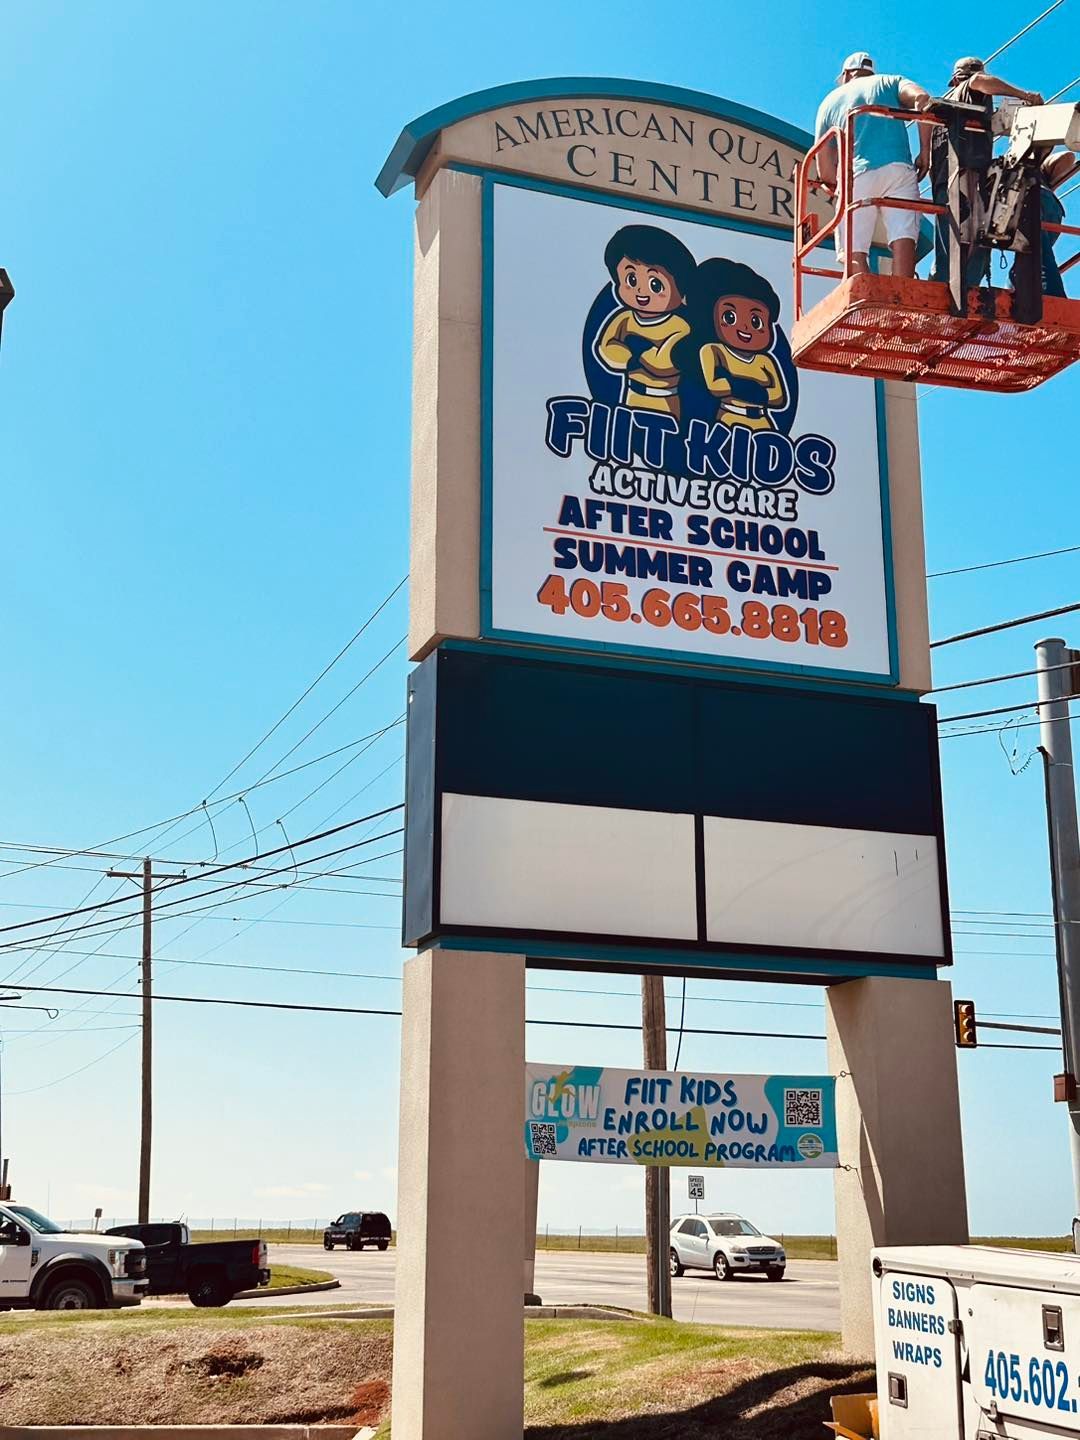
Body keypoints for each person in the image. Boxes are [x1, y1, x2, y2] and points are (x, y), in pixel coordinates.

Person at [814, 52, 932, 278]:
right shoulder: (892, 81)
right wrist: (925, 151)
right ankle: (902, 295)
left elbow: (825, 168)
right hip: (899, 168)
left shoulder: (829, 101)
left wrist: (832, 184)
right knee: (904, 238)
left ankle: (866, 297)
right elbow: (923, 100)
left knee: (853, 249)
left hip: (856, 174)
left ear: (847, 74)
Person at [930, 57, 1043, 289]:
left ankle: (941, 288)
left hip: (944, 180)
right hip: (965, 175)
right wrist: (1024, 95)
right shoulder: (968, 89)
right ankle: (964, 294)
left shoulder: (940, 107)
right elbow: (979, 81)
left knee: (948, 243)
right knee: (975, 240)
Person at [595, 224, 696, 419]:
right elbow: (606, 347)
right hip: (631, 393)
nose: (641, 292)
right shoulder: (624, 319)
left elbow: (664, 362)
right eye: (631, 280)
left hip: (664, 401)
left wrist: (634, 352)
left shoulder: (680, 326)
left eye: (655, 284)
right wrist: (633, 357)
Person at [681, 258, 788, 433]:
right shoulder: (713, 350)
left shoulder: (764, 360)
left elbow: (778, 397)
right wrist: (754, 390)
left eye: (756, 321)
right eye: (730, 317)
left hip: (762, 422)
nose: (745, 327)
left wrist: (736, 386)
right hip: (728, 418)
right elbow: (715, 386)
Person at [1013, 150, 1079, 298]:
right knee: (1029, 255)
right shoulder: (1040, 174)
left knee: (1036, 253)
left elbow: (1067, 156)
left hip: (1032, 202)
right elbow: (1068, 157)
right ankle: (1016, 290)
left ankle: (1052, 295)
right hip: (1053, 213)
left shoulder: (1023, 168)